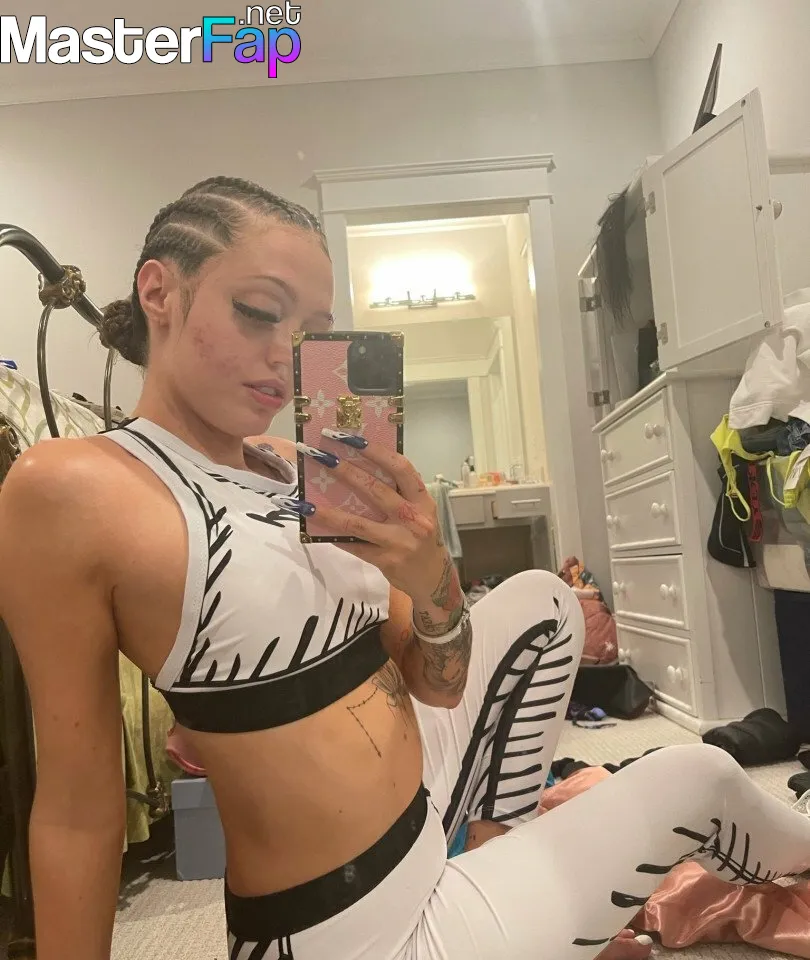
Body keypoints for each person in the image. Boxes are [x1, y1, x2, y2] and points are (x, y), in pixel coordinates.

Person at [0, 176, 808, 960]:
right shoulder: (75, 485)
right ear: (159, 292)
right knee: (699, 774)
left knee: (546, 599)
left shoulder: (295, 462)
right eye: (258, 312)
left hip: (428, 825)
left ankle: (493, 845)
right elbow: (75, 808)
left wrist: (430, 579)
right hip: (355, 928)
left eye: (312, 331)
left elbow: (438, 684)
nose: (285, 358)